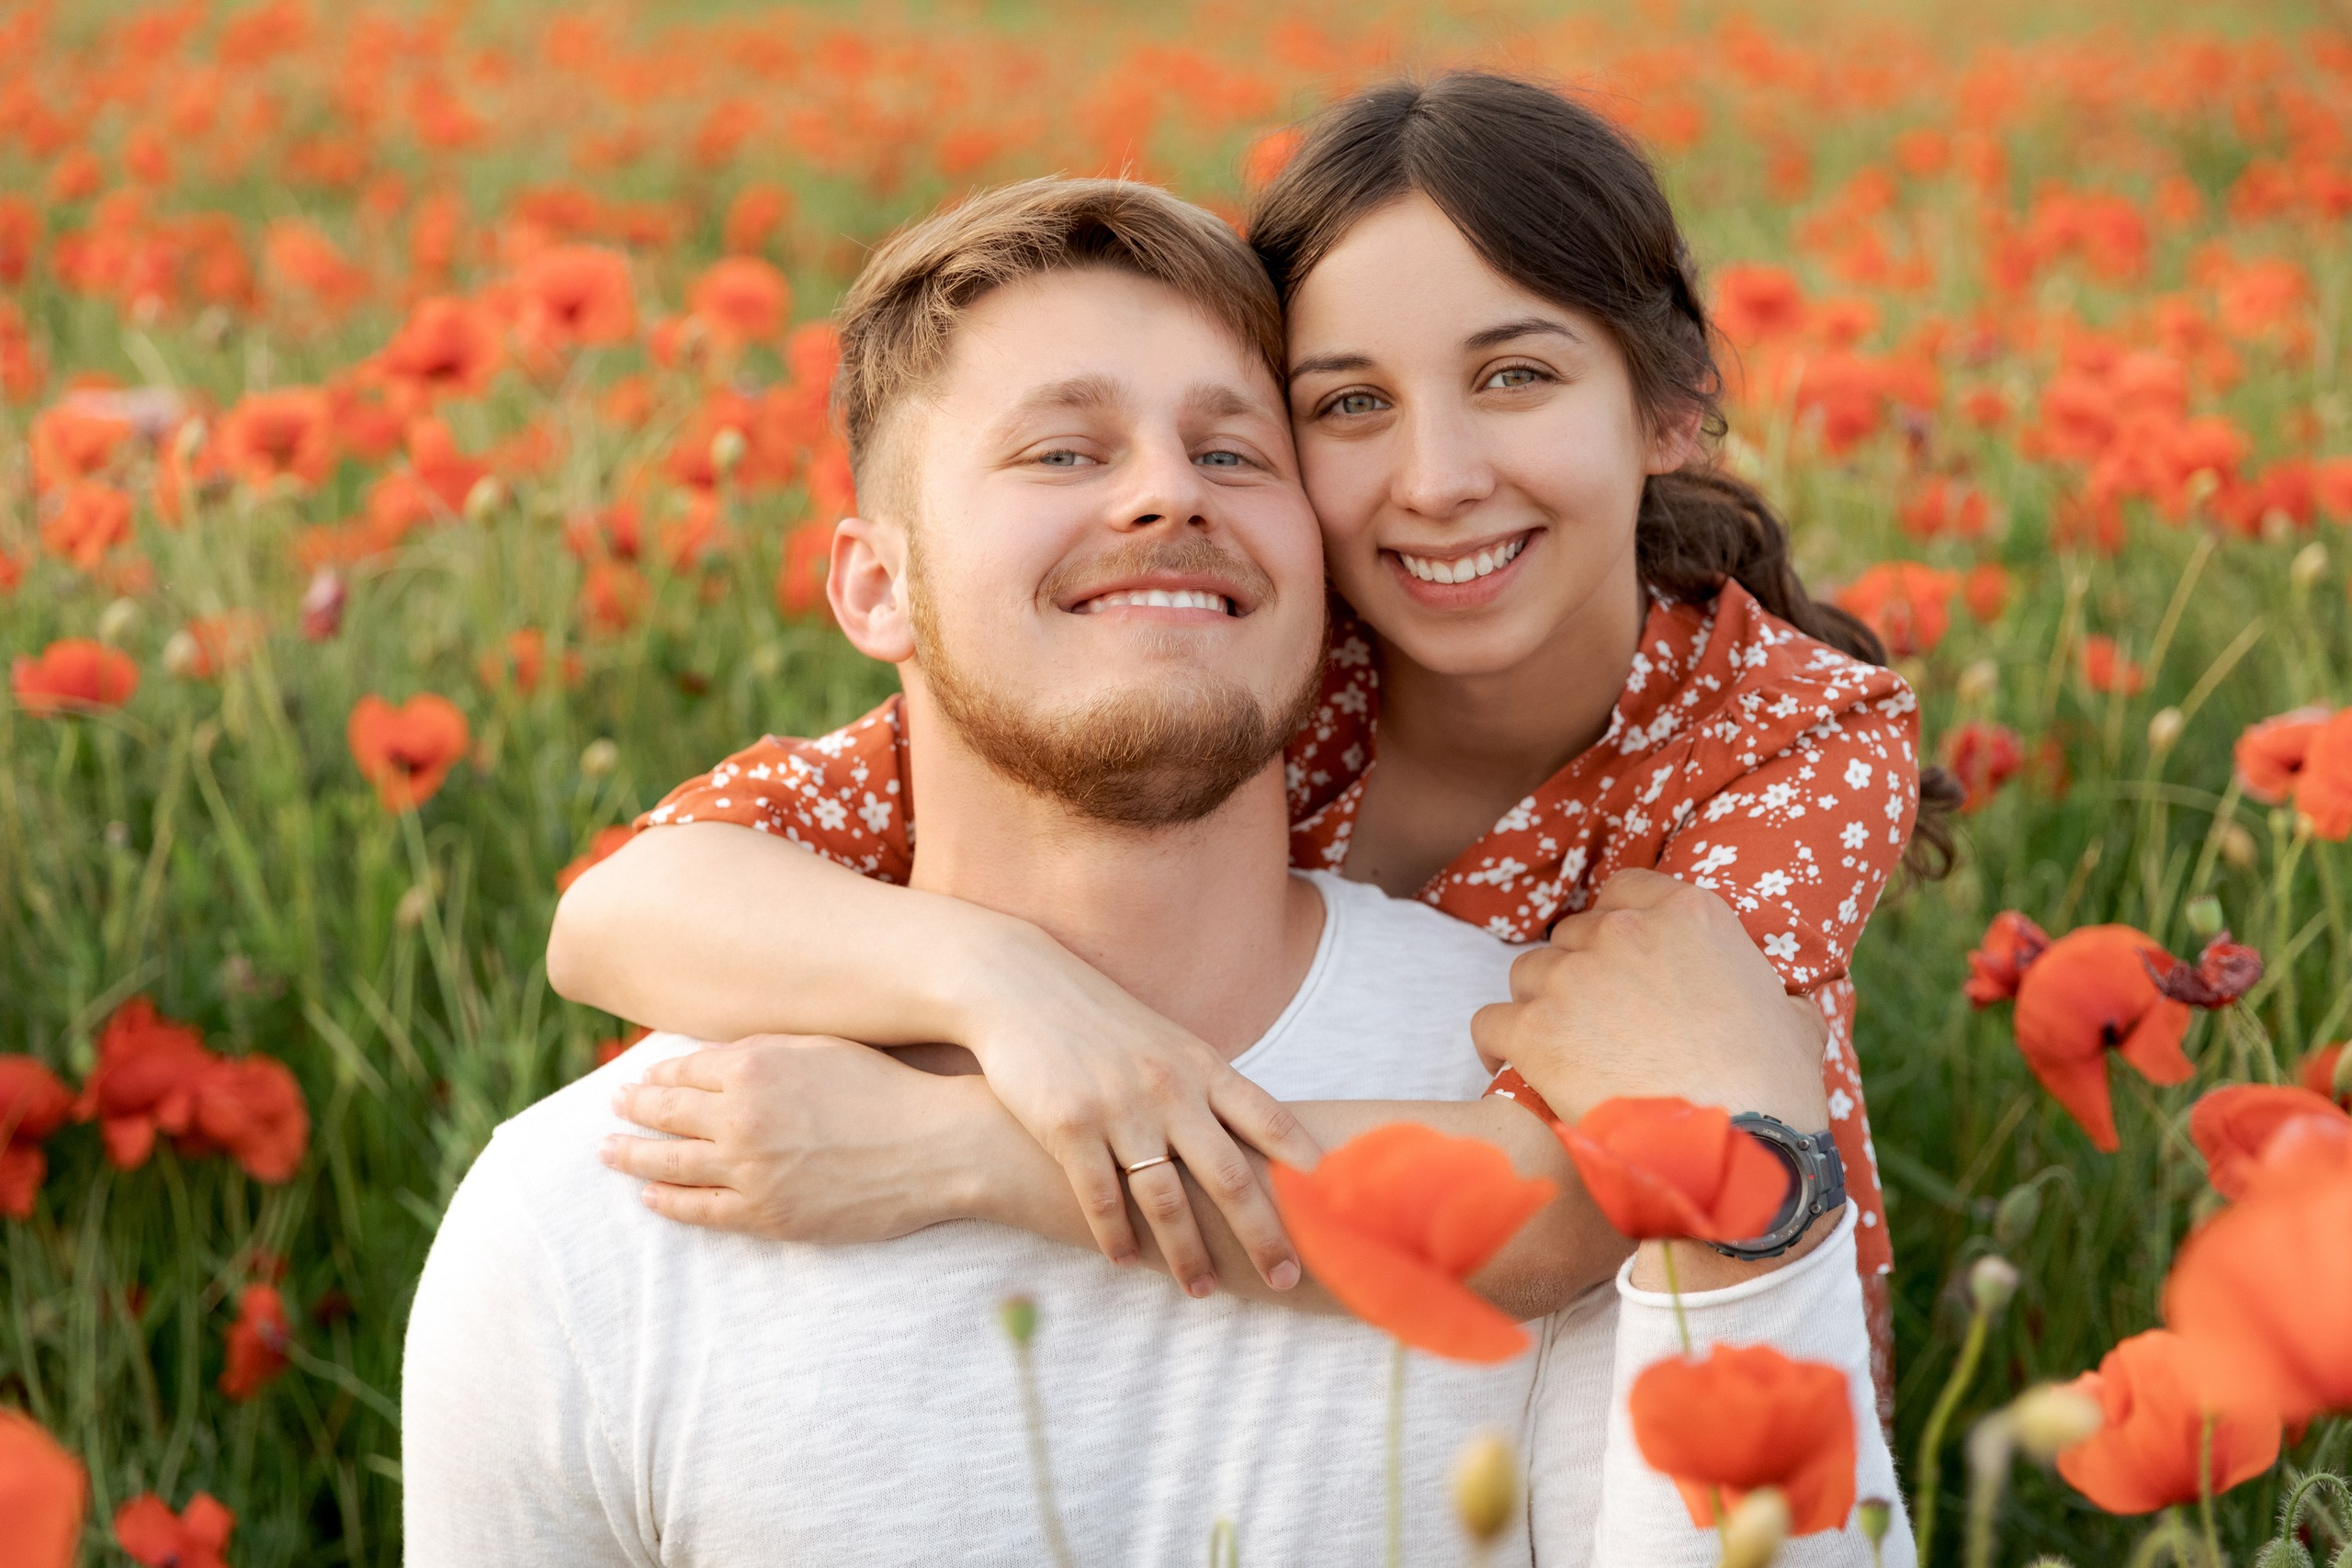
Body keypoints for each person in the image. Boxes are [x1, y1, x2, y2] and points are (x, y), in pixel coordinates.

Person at [408, 175, 1907, 1565]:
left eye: (1233, 453)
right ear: (877, 584)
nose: (1163, 498)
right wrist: (1010, 992)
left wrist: (982, 1160)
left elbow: (1589, 1207)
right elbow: (618, 902)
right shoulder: (599, 1205)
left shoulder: (1633, 1062)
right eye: (1063, 450)